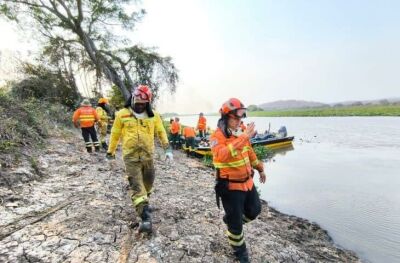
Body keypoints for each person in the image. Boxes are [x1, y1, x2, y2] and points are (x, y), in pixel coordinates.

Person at [106, 85, 170, 233]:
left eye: (143, 104)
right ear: (132, 99)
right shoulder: (122, 114)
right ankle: (145, 217)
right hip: (130, 157)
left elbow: (161, 132)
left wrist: (168, 149)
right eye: (137, 102)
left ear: (147, 103)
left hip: (148, 157)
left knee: (148, 184)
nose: (139, 106)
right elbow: (115, 134)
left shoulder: (153, 115)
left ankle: (144, 203)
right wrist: (110, 152)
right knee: (137, 186)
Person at [210, 98, 266, 263]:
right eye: (235, 118)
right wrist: (243, 138)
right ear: (225, 117)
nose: (239, 121)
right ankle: (240, 253)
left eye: (241, 118)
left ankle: (231, 220)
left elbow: (249, 152)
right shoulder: (216, 136)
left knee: (255, 210)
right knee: (236, 228)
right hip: (230, 187)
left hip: (247, 183)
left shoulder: (241, 131)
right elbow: (220, 156)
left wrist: (260, 168)